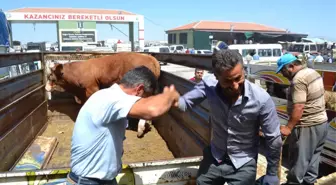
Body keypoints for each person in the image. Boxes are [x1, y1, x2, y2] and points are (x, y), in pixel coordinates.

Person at [176, 49, 282, 185]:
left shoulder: (261, 99)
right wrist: (171, 101)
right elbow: (185, 102)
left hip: (244, 162)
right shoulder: (208, 85)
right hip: (215, 156)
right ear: (216, 76)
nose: (235, 86)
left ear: (243, 71)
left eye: (238, 78)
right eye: (227, 81)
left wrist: (272, 173)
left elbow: (273, 138)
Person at [67, 66, 180, 185]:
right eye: (144, 98)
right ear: (139, 90)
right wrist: (170, 95)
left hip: (102, 180)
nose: (142, 102)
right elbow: (152, 110)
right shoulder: (111, 99)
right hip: (87, 182)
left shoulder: (107, 96)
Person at [275, 54, 329, 185]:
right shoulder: (313, 72)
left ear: (292, 66)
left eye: (283, 70)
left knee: (299, 161)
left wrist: (288, 128)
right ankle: (308, 182)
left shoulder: (298, 80)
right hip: (321, 123)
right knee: (313, 160)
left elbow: (299, 106)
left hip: (307, 126)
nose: (283, 74)